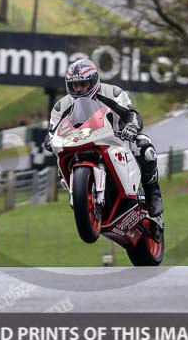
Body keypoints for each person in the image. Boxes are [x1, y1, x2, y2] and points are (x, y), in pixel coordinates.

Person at [44, 58, 163, 219]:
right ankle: (81, 196)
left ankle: (152, 193)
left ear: (94, 81)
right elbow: (52, 130)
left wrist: (131, 126)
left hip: (115, 139)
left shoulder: (113, 93)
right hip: (77, 142)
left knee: (145, 146)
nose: (79, 89)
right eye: (74, 85)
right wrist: (49, 139)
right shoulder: (61, 105)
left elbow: (132, 114)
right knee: (60, 159)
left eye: (83, 84)